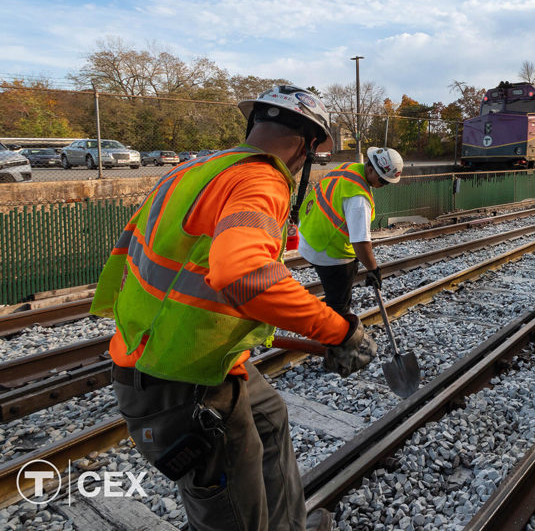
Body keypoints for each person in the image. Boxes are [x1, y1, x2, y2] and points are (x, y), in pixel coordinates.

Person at [91, 85, 378, 531]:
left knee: (268, 417)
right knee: (232, 513)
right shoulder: (261, 179)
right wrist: (337, 330)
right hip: (178, 376)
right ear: (305, 145)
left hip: (179, 353)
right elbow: (242, 274)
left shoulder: (193, 170)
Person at [297, 147, 404, 313]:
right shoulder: (359, 200)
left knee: (334, 295)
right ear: (370, 170)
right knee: (339, 305)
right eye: (383, 181)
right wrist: (373, 269)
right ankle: (330, 333)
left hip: (309, 234)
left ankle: (321, 315)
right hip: (328, 250)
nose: (384, 185)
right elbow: (360, 242)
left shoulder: (349, 168)